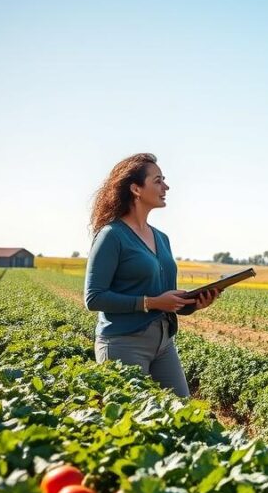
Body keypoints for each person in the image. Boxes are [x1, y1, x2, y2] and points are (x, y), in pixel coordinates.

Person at [84, 153, 219, 397]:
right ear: (136, 188)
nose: (166, 186)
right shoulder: (111, 235)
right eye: (158, 181)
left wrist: (193, 304)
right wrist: (151, 302)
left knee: (183, 418)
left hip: (164, 343)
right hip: (123, 343)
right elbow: (94, 298)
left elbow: (167, 298)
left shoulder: (161, 238)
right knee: (132, 424)